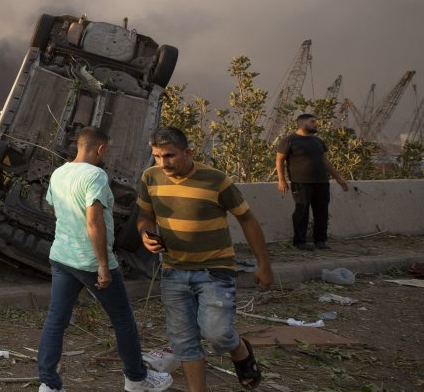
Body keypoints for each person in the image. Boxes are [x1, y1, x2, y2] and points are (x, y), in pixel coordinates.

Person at [137, 126, 273, 391]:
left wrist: (263, 264)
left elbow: (246, 218)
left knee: (218, 334)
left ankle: (240, 349)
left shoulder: (216, 180)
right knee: (184, 342)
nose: (162, 163)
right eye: (157, 156)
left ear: (187, 152)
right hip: (173, 272)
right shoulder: (150, 177)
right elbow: (144, 216)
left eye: (169, 156)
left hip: (215, 270)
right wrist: (145, 233)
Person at [36, 127, 173, 392]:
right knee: (122, 319)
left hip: (62, 257)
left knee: (56, 319)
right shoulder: (96, 175)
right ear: (100, 149)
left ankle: (49, 385)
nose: (106, 154)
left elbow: (56, 209)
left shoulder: (59, 173)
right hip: (90, 260)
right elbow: (94, 221)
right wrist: (102, 264)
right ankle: (136, 379)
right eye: (106, 150)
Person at [274, 113, 350, 251]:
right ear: (302, 124)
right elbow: (279, 160)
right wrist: (281, 180)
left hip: (321, 181)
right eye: (312, 122)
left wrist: (338, 178)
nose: (315, 124)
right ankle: (299, 242)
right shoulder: (289, 140)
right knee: (301, 211)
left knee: (322, 211)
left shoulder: (317, 141)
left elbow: (325, 161)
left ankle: (320, 240)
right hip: (301, 182)